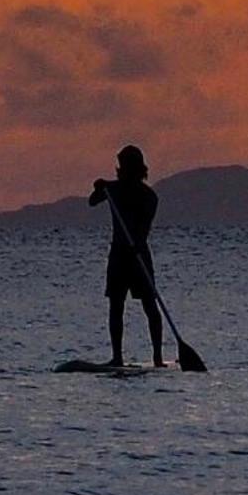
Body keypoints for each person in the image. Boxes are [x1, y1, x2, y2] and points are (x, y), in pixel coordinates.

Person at [89, 144, 164, 367]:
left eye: (124, 165)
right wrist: (100, 188)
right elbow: (92, 201)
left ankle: (157, 357)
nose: (120, 170)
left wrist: (136, 243)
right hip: (119, 256)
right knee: (116, 305)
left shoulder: (149, 197)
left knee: (150, 305)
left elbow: (143, 228)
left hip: (138, 254)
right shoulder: (113, 190)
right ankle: (117, 357)